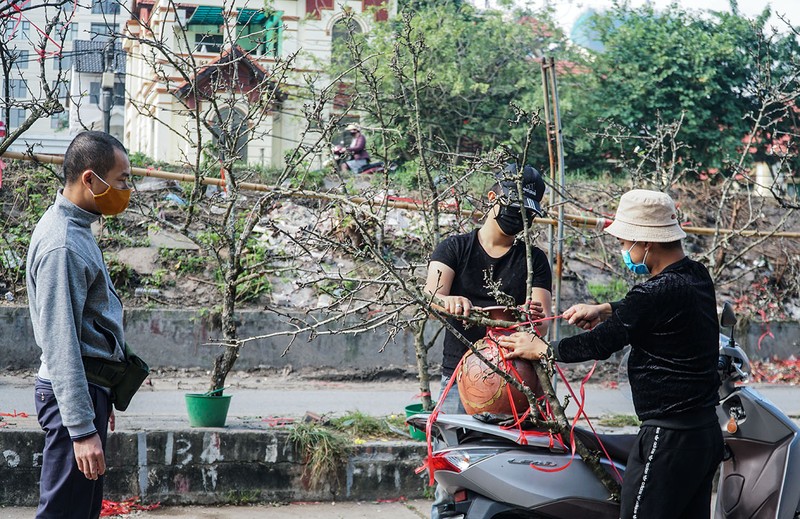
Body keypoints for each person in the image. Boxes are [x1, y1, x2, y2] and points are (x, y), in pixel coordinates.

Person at [498, 189, 723, 519]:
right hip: (704, 434)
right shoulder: (695, 275)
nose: (622, 250)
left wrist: (543, 349)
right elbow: (655, 309)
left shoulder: (651, 292)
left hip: (667, 436)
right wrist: (605, 309)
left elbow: (599, 344)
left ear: (645, 242)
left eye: (623, 242)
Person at [425, 164, 553, 519]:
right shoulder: (454, 248)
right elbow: (432, 294)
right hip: (458, 379)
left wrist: (529, 315)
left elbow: (540, 320)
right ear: (492, 199)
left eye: (527, 215)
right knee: (451, 480)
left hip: (519, 381)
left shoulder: (533, 260)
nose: (519, 219)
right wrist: (447, 301)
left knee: (515, 474)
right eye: (514, 210)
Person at [27, 131, 132, 519]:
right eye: (121, 180)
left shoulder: (75, 228)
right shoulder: (63, 245)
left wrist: (96, 402)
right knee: (63, 513)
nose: (126, 189)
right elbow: (60, 342)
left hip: (87, 389)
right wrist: (81, 427)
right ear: (91, 179)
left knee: (80, 512)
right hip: (72, 389)